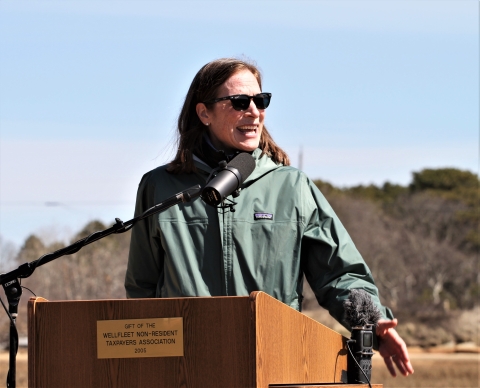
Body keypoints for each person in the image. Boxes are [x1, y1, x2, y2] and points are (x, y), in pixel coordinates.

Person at [125, 57, 414, 377]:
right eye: (239, 101)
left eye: (260, 101)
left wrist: (371, 322)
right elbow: (143, 288)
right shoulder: (159, 187)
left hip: (274, 366)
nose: (254, 111)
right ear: (204, 112)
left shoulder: (292, 186)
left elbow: (338, 274)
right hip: (188, 369)